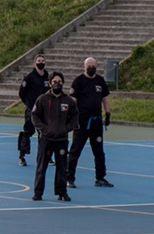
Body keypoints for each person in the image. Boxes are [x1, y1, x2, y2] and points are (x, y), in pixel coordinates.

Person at [66, 57, 114, 189]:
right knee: (75, 150)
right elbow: (72, 101)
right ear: (84, 67)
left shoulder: (100, 81)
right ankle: (69, 178)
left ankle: (100, 177)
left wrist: (108, 114)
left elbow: (104, 99)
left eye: (94, 66)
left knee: (99, 151)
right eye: (89, 66)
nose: (92, 68)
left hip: (96, 122)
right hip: (81, 122)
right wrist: (73, 119)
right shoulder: (78, 81)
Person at [31, 72, 77, 201]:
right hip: (46, 139)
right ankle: (38, 193)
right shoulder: (42, 99)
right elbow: (35, 116)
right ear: (50, 83)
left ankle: (62, 192)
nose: (57, 84)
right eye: (55, 81)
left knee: (62, 168)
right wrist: (44, 129)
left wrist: (67, 128)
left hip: (61, 140)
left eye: (60, 81)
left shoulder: (68, 101)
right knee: (41, 167)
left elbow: (75, 116)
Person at [17, 54, 49, 166]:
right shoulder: (29, 77)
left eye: (43, 60)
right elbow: (22, 92)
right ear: (34, 63)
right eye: (39, 61)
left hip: (43, 111)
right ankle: (22, 156)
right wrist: (29, 104)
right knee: (28, 131)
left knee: (45, 133)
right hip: (31, 110)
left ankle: (46, 156)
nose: (41, 62)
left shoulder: (47, 77)